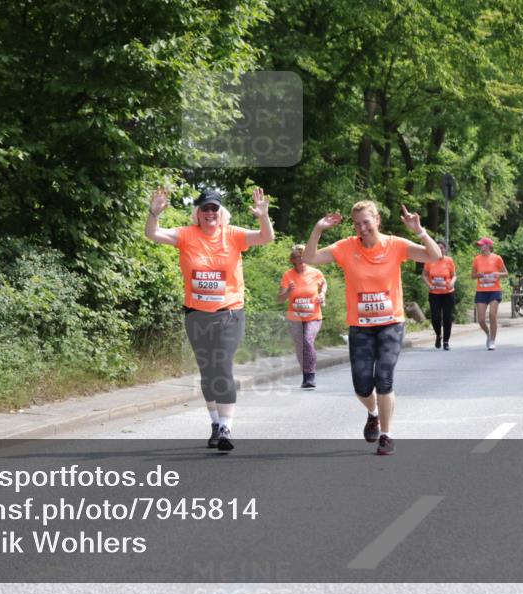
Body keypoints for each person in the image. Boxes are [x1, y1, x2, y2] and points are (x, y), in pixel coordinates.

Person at [304, 200, 441, 456]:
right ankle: (373, 413)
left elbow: (434, 256)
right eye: (357, 223)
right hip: (361, 326)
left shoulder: (395, 245)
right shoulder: (346, 247)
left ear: (377, 219)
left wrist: (419, 231)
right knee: (362, 386)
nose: (361, 228)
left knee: (384, 378)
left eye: (366, 221)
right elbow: (309, 257)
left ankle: (387, 435)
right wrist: (318, 230)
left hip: (391, 324)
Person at [146, 186, 274, 451]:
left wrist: (263, 216)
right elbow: (152, 234)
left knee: (223, 367)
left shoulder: (234, 235)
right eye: (205, 208)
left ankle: (227, 427)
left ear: (221, 212)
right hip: (196, 315)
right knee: (207, 372)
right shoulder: (186, 235)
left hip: (229, 313)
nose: (210, 213)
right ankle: (215, 423)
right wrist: (154, 213)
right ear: (198, 213)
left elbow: (265, 237)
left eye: (214, 208)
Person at [278, 244, 327, 389]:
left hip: (313, 316)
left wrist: (322, 294)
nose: (302, 259)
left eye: (304, 256)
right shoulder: (288, 275)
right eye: (299, 257)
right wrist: (288, 292)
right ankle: (305, 374)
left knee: (308, 340)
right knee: (300, 346)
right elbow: (280, 298)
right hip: (295, 318)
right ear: (293, 260)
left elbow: (324, 283)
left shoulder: (316, 272)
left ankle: (310, 375)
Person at [471, 237, 508, 350]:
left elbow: (506, 273)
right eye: (479, 245)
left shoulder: (497, 258)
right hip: (481, 291)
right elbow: (472, 275)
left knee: (492, 315)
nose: (480, 247)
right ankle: (488, 333)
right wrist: (479, 275)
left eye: (482, 245)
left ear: (488, 246)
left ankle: (492, 340)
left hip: (494, 290)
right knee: (481, 320)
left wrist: (497, 274)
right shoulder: (477, 259)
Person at [422, 240, 456, 350]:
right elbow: (424, 276)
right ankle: (438, 335)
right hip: (434, 294)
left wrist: (451, 283)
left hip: (447, 293)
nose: (440, 250)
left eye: (442, 248)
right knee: (435, 317)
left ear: (445, 249)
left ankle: (446, 341)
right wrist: (429, 285)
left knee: (447, 317)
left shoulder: (449, 261)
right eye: (438, 247)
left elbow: (454, 275)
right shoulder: (429, 260)